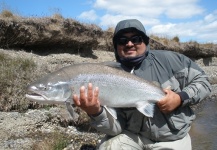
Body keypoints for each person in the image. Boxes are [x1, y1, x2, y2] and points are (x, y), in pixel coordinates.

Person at [72, 19, 212, 150]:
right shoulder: (108, 76)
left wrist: (180, 98)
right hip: (133, 136)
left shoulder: (171, 60)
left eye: (136, 39)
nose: (129, 44)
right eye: (122, 40)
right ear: (116, 46)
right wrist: (95, 112)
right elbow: (115, 129)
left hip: (172, 139)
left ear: (145, 42)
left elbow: (203, 81)